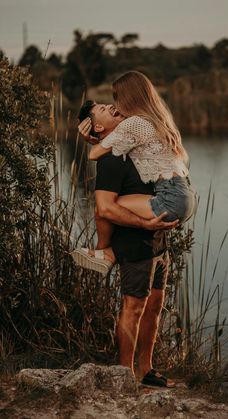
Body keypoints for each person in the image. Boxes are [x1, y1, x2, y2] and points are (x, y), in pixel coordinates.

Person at [72, 101, 178, 388]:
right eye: (104, 109)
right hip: (133, 244)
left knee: (154, 307)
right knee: (133, 308)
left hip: (158, 243)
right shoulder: (110, 160)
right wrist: (144, 224)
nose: (111, 106)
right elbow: (104, 209)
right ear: (97, 125)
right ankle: (124, 375)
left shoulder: (135, 145)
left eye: (110, 104)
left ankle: (146, 370)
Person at [74, 71, 197, 275]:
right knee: (108, 209)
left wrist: (90, 140)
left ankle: (102, 252)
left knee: (103, 209)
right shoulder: (155, 120)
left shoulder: (134, 124)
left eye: (117, 98)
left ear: (128, 98)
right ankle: (109, 254)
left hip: (171, 198)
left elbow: (94, 154)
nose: (115, 104)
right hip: (183, 196)